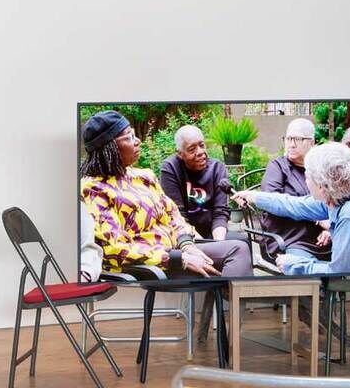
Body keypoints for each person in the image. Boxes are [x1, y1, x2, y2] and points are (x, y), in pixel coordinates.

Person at [78, 110, 253, 280]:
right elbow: (113, 248)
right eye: (129, 137)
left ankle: (224, 306)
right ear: (109, 148)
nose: (138, 141)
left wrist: (187, 244)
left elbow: (173, 215)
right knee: (236, 252)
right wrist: (178, 259)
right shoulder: (94, 189)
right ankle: (227, 306)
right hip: (154, 264)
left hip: (178, 251)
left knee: (238, 247)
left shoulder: (144, 176)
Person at [233, 142, 350, 276]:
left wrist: (294, 265)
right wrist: (254, 196)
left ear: (322, 186)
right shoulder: (339, 198)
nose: (305, 179)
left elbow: (338, 271)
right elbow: (293, 204)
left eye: (307, 176)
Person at [255, 117, 327, 267]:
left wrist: (332, 230)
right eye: (288, 138)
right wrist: (319, 220)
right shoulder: (278, 167)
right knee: (305, 268)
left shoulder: (320, 169)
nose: (291, 144)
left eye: (297, 139)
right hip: (289, 238)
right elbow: (272, 201)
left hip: (321, 237)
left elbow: (334, 202)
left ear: (312, 142)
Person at [157, 124, 231, 242]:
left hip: (213, 232)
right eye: (192, 149)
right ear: (180, 154)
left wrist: (218, 244)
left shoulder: (217, 168)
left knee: (242, 243)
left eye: (202, 145)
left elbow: (220, 212)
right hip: (183, 235)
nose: (201, 152)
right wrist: (202, 245)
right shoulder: (170, 168)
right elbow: (177, 216)